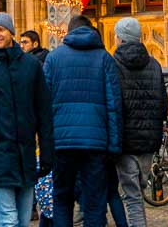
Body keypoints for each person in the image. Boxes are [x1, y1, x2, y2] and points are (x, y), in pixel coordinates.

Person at [0, 13, 54, 227]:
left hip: (26, 153)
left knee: (23, 219)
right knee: (9, 218)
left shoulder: (30, 66)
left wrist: (48, 153)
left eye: (1, 30)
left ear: (11, 32)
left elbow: (43, 112)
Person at [41, 13, 120, 227]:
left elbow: (43, 103)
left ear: (68, 32)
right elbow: (114, 105)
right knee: (94, 201)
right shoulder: (104, 58)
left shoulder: (54, 58)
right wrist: (113, 145)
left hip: (62, 141)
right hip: (95, 143)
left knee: (62, 198)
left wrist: (46, 142)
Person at [111, 19, 167, 227]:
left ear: (120, 38)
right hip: (149, 139)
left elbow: (113, 103)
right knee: (138, 187)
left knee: (132, 194)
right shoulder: (153, 64)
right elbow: (163, 101)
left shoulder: (113, 64)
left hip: (125, 140)